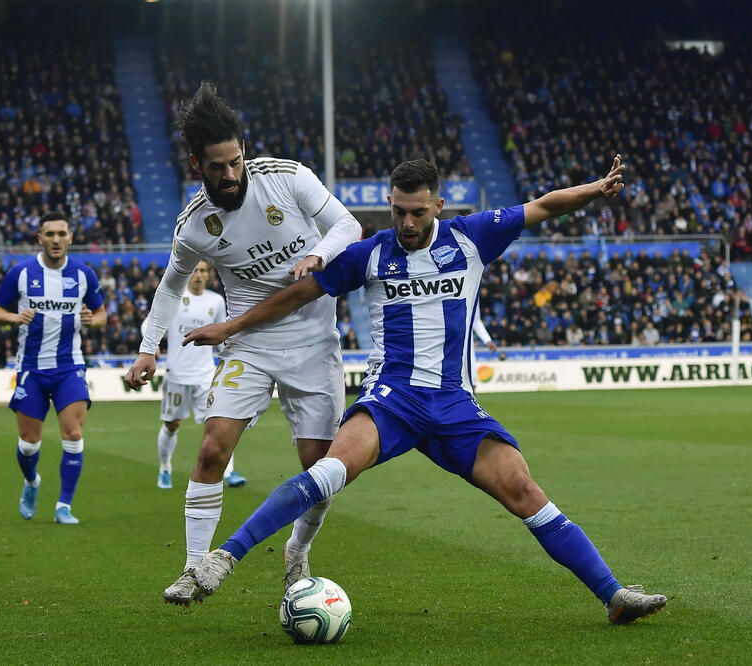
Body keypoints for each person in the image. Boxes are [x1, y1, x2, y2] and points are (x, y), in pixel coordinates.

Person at [176, 157, 668, 624]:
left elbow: (542, 205)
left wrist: (596, 191)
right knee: (328, 469)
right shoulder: (369, 254)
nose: (406, 222)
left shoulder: (471, 237)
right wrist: (232, 326)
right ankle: (223, 559)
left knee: (523, 488)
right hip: (393, 399)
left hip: (454, 404)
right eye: (397, 211)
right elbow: (297, 294)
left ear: (438, 206)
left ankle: (614, 596)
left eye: (416, 212)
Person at [123, 82, 362, 599]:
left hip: (315, 343)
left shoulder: (288, 178)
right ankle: (193, 569)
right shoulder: (194, 227)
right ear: (197, 166)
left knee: (321, 469)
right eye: (218, 167)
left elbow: (348, 223)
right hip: (249, 345)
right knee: (212, 449)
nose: (231, 174)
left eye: (236, 162)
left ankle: (297, 550)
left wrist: (319, 255)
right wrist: (148, 346)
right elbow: (169, 287)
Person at [0, 212, 107, 525]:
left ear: (70, 238)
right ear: (40, 238)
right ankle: (32, 483)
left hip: (70, 366)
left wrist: (93, 320)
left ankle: (63, 506)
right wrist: (15, 318)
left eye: (61, 234)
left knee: (74, 434)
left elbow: (102, 313)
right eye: (50, 234)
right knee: (29, 445)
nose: (56, 240)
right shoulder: (21, 273)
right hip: (31, 368)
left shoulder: (83, 275)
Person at [149, 260, 246, 490]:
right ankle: (165, 467)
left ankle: (229, 472)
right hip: (177, 376)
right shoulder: (174, 297)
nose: (198, 275)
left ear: (209, 274)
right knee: (172, 425)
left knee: (219, 424)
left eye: (203, 270)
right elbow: (149, 323)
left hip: (206, 376)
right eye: (194, 270)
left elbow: (224, 335)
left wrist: (229, 362)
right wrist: (151, 344)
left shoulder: (216, 301)